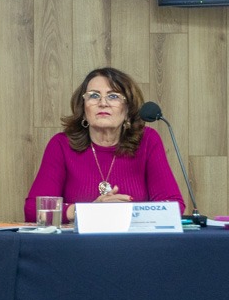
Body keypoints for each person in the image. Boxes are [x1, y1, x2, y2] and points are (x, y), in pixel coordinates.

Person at [24, 67, 185, 224]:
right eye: (94, 96)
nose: (103, 103)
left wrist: (123, 213)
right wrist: (88, 211)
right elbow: (34, 210)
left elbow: (173, 206)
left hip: (135, 245)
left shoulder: (148, 140)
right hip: (79, 247)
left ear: (128, 108)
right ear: (83, 107)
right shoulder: (61, 144)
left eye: (113, 96)